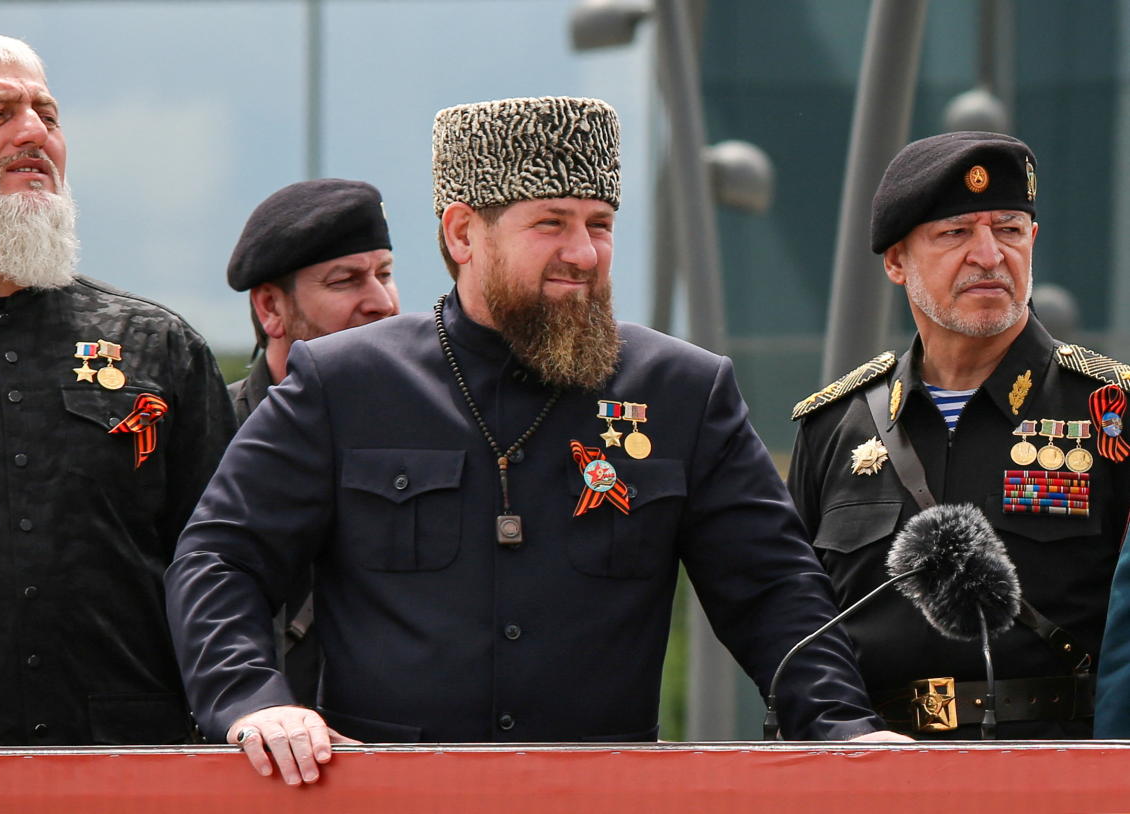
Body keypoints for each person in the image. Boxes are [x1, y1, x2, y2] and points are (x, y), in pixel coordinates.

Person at [166, 95, 893, 786]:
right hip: (389, 797)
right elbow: (220, 554)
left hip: (602, 798)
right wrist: (253, 700)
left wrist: (843, 728)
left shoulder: (682, 392)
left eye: (600, 224)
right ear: (462, 234)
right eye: (551, 223)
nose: (583, 252)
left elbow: (772, 591)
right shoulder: (345, 382)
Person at [0, 35, 236, 746]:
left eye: (47, 115)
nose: (32, 134)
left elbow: (226, 567)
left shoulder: (158, 346)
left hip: (130, 762)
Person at [789, 131, 1128, 739]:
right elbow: (794, 619)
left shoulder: (1111, 411)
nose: (990, 255)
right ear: (896, 261)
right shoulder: (835, 426)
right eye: (955, 233)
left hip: (1059, 773)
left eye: (1009, 229)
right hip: (876, 776)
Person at [225, 178, 399, 706]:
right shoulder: (208, 433)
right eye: (346, 280)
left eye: (386, 275)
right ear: (270, 309)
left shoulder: (434, 429)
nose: (382, 303)